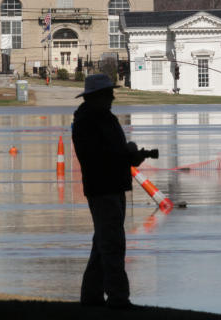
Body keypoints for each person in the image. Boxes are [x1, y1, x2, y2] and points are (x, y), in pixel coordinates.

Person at [71, 73, 146, 309]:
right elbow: (102, 156)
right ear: (97, 96)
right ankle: (118, 297)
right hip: (104, 188)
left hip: (109, 186)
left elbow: (109, 153)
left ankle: (91, 296)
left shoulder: (98, 118)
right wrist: (129, 154)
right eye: (108, 93)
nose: (113, 96)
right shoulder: (92, 121)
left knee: (103, 243)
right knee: (112, 243)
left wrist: (128, 154)